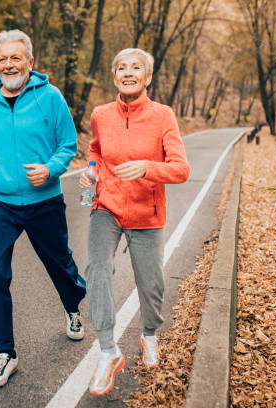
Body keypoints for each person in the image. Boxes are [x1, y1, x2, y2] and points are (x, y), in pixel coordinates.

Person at [0, 29, 87, 390]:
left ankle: (73, 306)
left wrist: (52, 168)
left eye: (16, 58)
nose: (9, 64)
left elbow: (68, 144)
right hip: (2, 204)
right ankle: (5, 352)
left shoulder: (50, 97)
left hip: (44, 202)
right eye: (3, 59)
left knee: (60, 263)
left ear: (30, 61)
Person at [80, 48, 190, 396]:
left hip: (147, 211)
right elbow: (95, 150)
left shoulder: (163, 116)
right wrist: (92, 172)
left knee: (151, 282)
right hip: (107, 206)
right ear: (115, 76)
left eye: (136, 68)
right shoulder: (101, 114)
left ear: (147, 77)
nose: (128, 73)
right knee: (97, 267)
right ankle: (108, 350)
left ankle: (149, 335)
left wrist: (146, 167)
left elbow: (181, 169)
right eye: (122, 68)